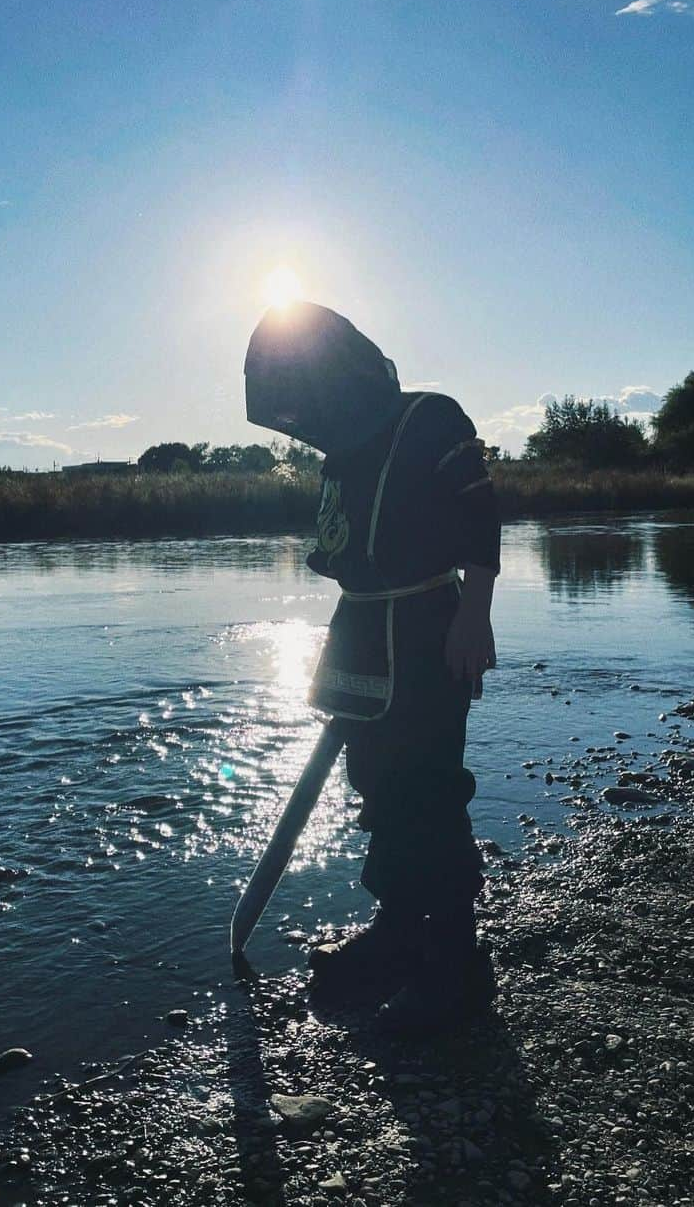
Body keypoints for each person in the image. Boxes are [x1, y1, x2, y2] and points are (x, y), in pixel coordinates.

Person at [244, 300, 500, 1035]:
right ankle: (399, 929)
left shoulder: (431, 418)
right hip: (359, 626)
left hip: (425, 624)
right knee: (376, 783)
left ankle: (455, 961)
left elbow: (480, 514)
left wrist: (473, 617)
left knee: (429, 788)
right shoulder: (344, 449)